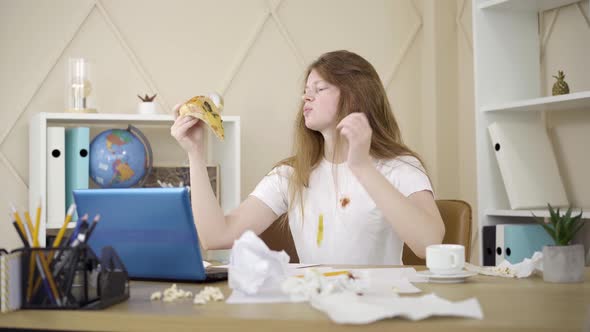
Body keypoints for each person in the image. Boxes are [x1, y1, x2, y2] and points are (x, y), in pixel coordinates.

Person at [171, 50, 444, 265]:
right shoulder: (291, 175)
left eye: (320, 88)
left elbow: (429, 244)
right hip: (313, 311)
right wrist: (195, 154)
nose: (306, 97)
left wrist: (361, 167)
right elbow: (216, 236)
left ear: (355, 97)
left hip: (379, 311)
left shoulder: (400, 167)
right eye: (306, 90)